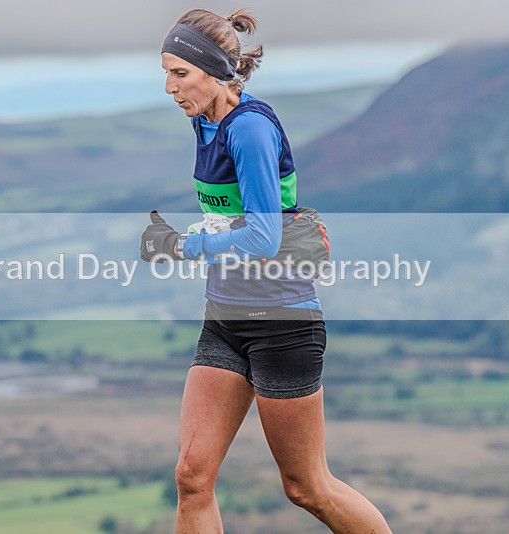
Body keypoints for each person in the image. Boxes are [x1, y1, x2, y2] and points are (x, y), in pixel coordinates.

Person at [140, 8, 392, 533]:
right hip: (224, 318)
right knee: (192, 476)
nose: (169, 87)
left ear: (215, 71)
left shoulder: (249, 129)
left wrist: (182, 245)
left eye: (179, 73)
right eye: (165, 73)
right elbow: (230, 216)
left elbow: (262, 236)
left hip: (281, 320)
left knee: (306, 487)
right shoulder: (204, 119)